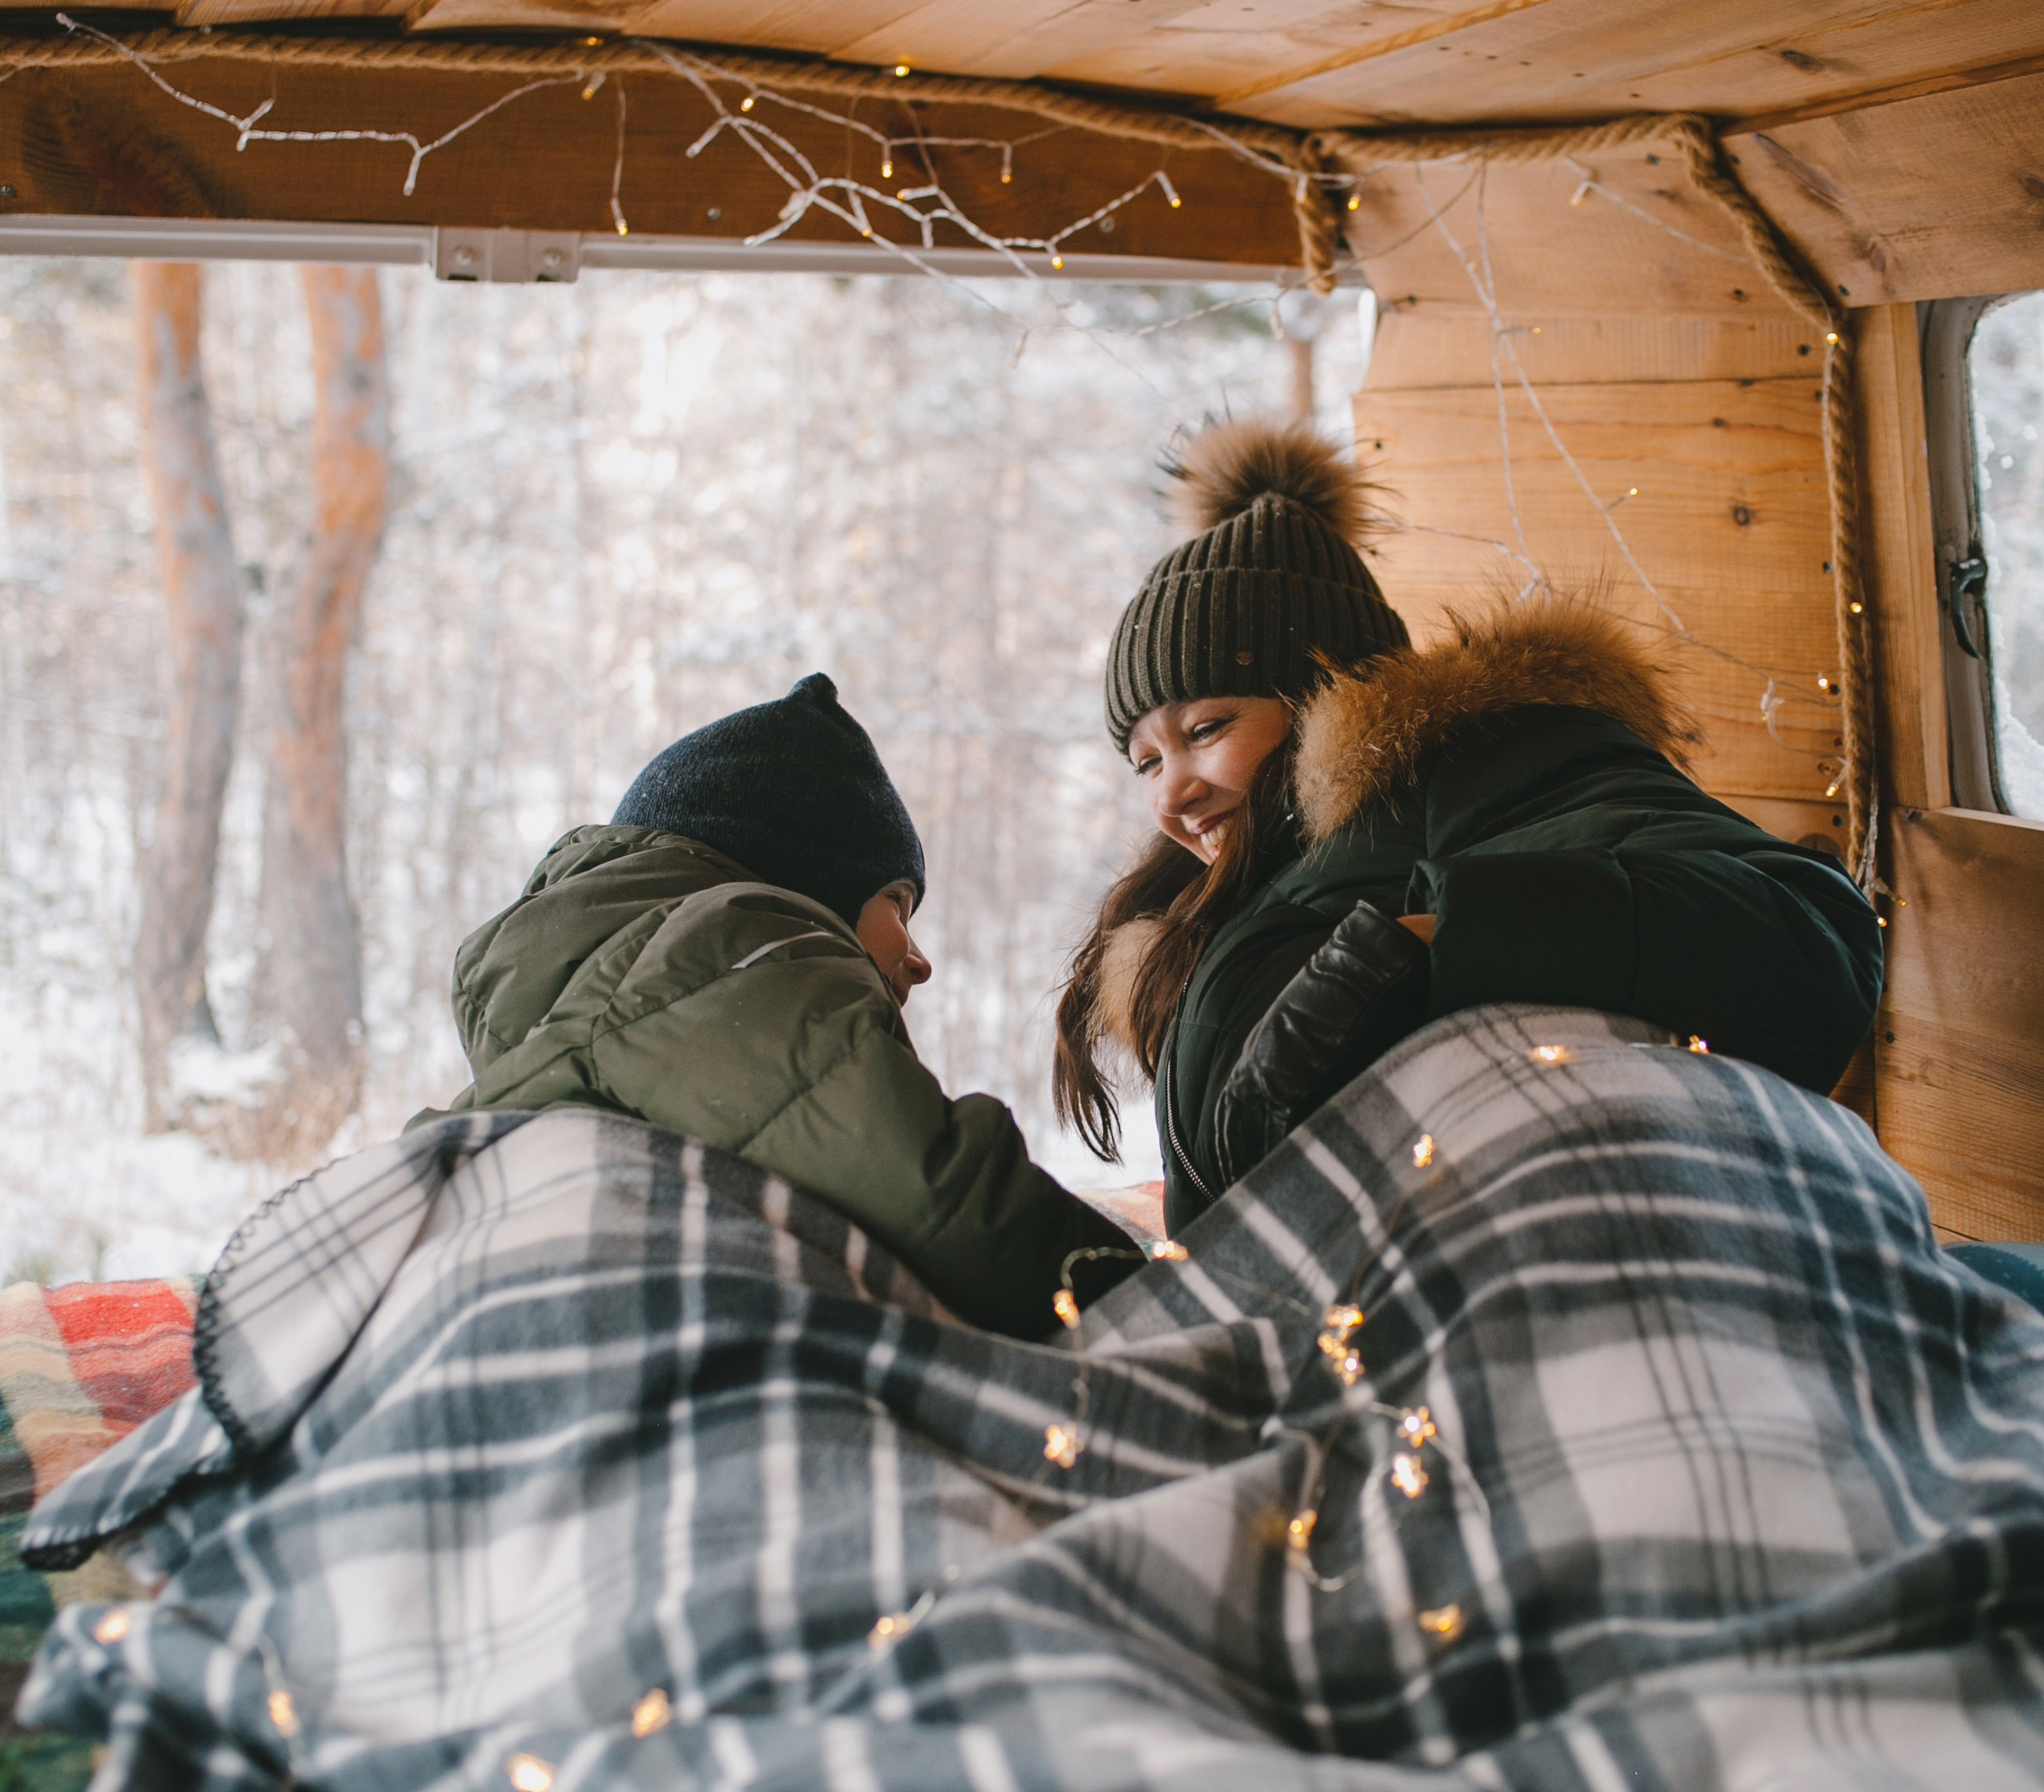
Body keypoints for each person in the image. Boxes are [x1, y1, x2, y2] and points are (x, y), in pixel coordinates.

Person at [1055, 419, 1884, 1235]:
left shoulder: (1499, 759)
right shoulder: (1216, 906)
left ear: (1324, 694)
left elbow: (1812, 936)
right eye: (1146, 762)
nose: (1173, 795)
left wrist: (1431, 937)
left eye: (1206, 730)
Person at [423, 673, 1138, 1338]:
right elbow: (953, 1206)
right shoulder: (731, 956)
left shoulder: (590, 1012)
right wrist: (1144, 1292)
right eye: (896, 904)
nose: (920, 960)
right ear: (803, 884)